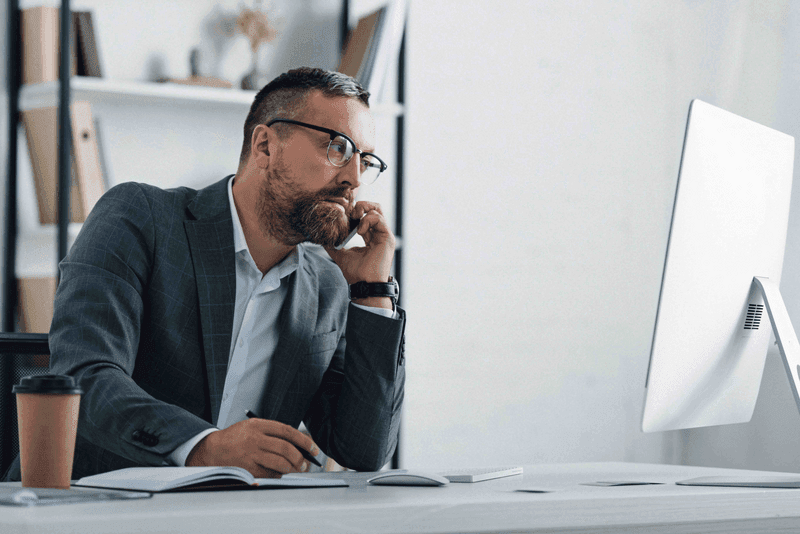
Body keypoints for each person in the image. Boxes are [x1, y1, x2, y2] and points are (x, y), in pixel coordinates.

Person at [4, 67, 405, 481]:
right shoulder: (139, 219)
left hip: (227, 519)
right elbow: (83, 377)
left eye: (366, 160)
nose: (354, 178)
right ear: (265, 146)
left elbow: (363, 448)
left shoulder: (326, 287)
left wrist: (372, 291)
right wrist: (204, 446)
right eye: (337, 148)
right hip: (81, 507)